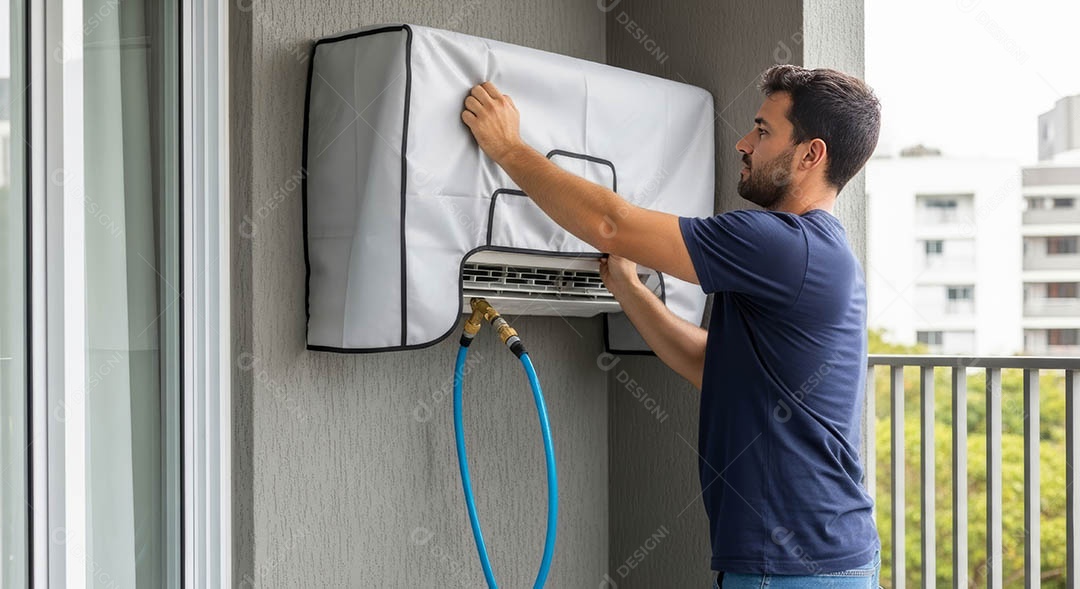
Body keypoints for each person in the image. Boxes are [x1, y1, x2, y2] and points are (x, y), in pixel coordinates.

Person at [462, 64, 882, 588]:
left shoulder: (780, 243)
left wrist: (507, 148)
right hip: (821, 558)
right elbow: (711, 365)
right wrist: (631, 291)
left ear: (810, 155)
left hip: (791, 567)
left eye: (763, 131)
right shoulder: (820, 251)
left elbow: (612, 223)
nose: (744, 143)